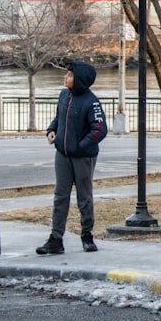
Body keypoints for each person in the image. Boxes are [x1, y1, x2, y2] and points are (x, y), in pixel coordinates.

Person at [36, 61, 108, 255]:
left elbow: (100, 129)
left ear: (79, 80)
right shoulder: (64, 96)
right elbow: (59, 118)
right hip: (62, 154)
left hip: (83, 157)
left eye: (69, 75)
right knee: (60, 196)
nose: (65, 77)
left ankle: (87, 235)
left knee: (84, 197)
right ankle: (56, 239)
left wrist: (81, 146)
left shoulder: (91, 102)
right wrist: (51, 131)